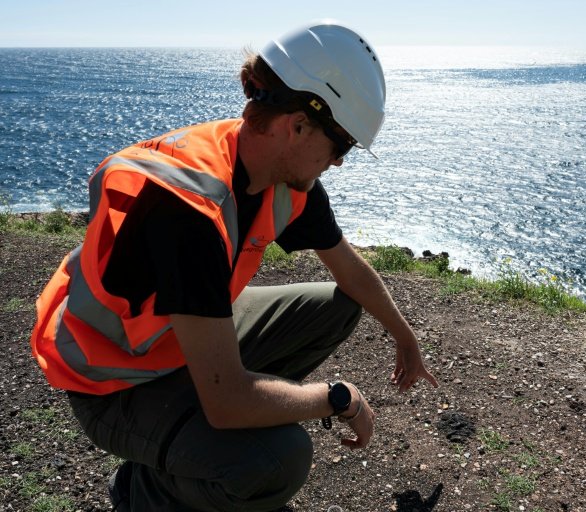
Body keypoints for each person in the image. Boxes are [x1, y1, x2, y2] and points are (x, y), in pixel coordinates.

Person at [30, 21, 438, 511]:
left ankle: (197, 435)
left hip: (176, 341)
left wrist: (404, 336)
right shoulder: (189, 212)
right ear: (298, 125)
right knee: (280, 458)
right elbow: (226, 405)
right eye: (343, 144)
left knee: (339, 305)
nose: (339, 162)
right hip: (114, 382)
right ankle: (146, 490)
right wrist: (338, 397)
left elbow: (349, 271)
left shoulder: (282, 175)